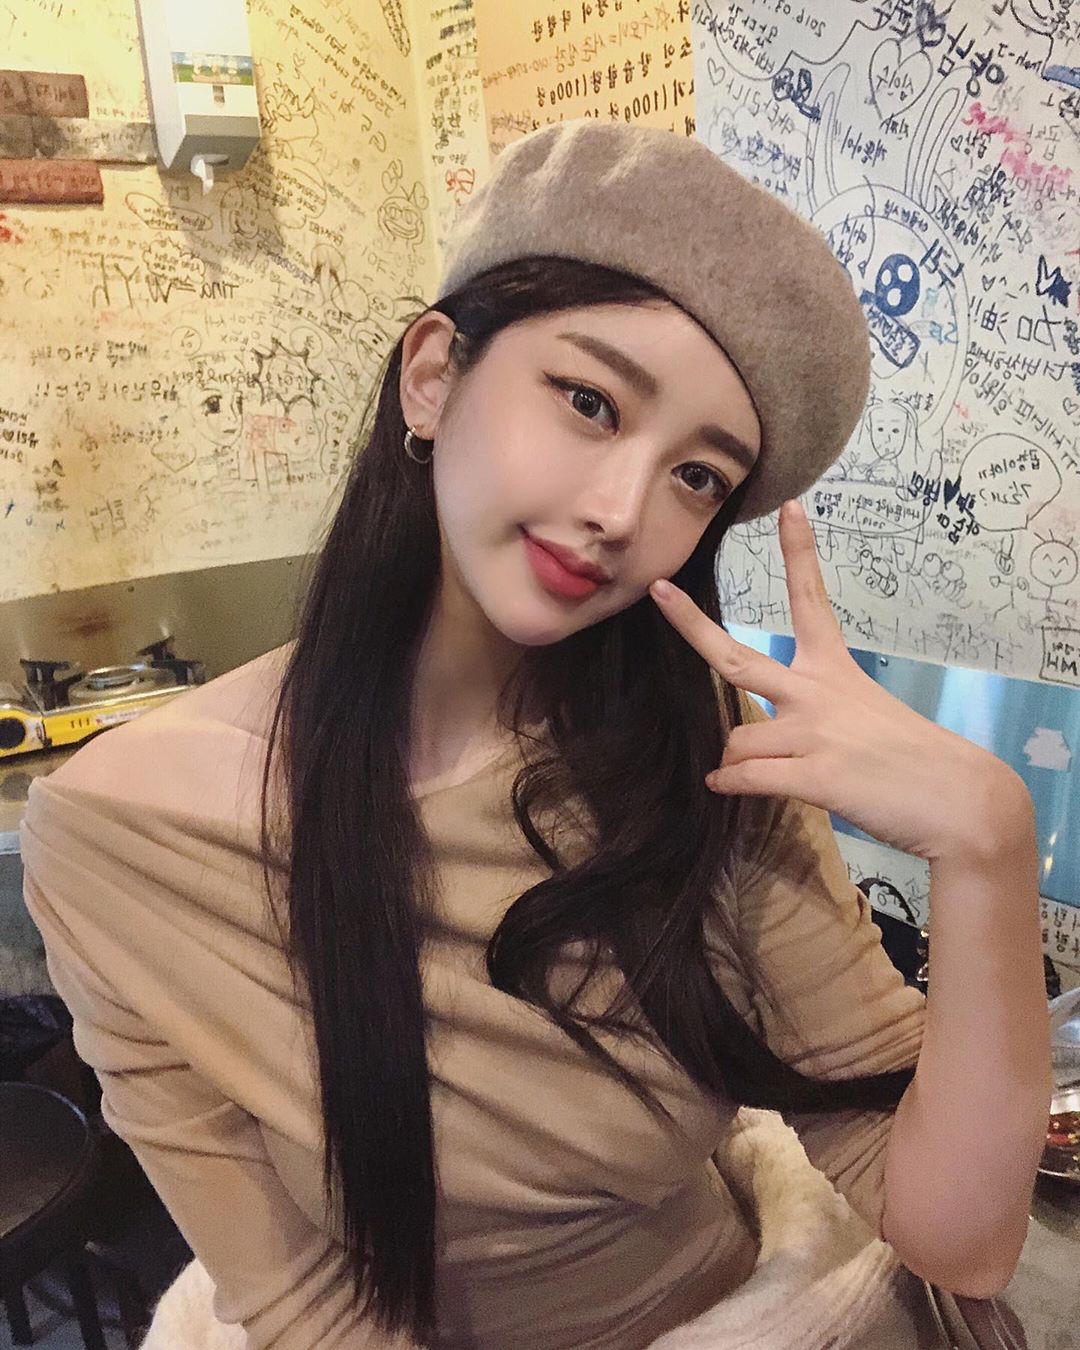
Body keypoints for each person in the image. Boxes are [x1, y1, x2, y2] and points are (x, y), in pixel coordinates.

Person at [20, 120, 1050, 1349]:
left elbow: (959, 1238)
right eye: (590, 402)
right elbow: (302, 1305)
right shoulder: (116, 837)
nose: (621, 511)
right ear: (433, 375)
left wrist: (988, 840)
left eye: (698, 476)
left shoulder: (694, 756)